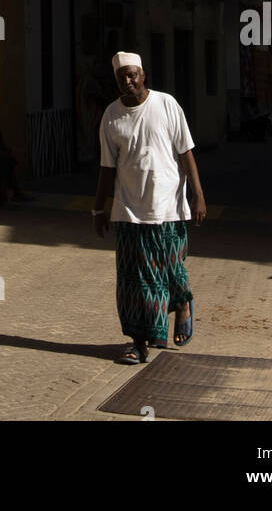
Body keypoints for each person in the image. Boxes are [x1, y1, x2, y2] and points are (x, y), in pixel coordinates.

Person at [93, 51, 206, 365]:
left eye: (133, 75)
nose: (128, 82)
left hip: (168, 206)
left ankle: (182, 302)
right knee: (134, 281)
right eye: (121, 77)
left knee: (171, 269)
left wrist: (197, 194)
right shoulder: (111, 116)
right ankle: (138, 342)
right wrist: (98, 209)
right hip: (128, 210)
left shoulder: (166, 104)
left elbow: (186, 152)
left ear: (143, 75)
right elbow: (106, 167)